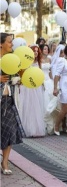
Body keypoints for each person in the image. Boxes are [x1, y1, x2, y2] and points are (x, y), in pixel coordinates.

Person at [1, 33, 25, 175]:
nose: (12, 45)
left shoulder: (14, 60)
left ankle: (5, 162)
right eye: (9, 42)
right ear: (1, 44)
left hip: (9, 100)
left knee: (10, 131)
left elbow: (16, 77)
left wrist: (18, 81)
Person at [18, 44, 46, 137]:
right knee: (29, 106)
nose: (36, 53)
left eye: (37, 51)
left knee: (37, 107)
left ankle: (36, 129)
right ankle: (28, 128)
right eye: (34, 51)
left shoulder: (38, 63)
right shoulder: (26, 63)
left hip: (37, 87)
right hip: (28, 87)